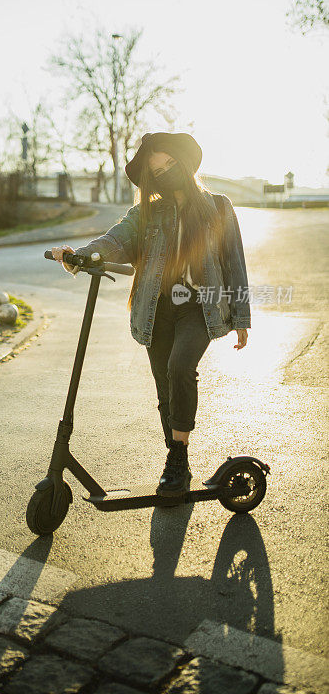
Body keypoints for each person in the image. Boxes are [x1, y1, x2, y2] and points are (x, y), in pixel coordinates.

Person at [51, 132, 251, 500]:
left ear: (185, 163)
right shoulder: (146, 213)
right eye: (156, 171)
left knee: (179, 369)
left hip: (200, 308)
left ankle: (176, 457)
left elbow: (234, 263)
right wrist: (79, 254)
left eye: (170, 165)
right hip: (156, 309)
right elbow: (115, 240)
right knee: (165, 390)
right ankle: (178, 460)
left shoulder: (219, 207)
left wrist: (241, 317)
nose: (164, 173)